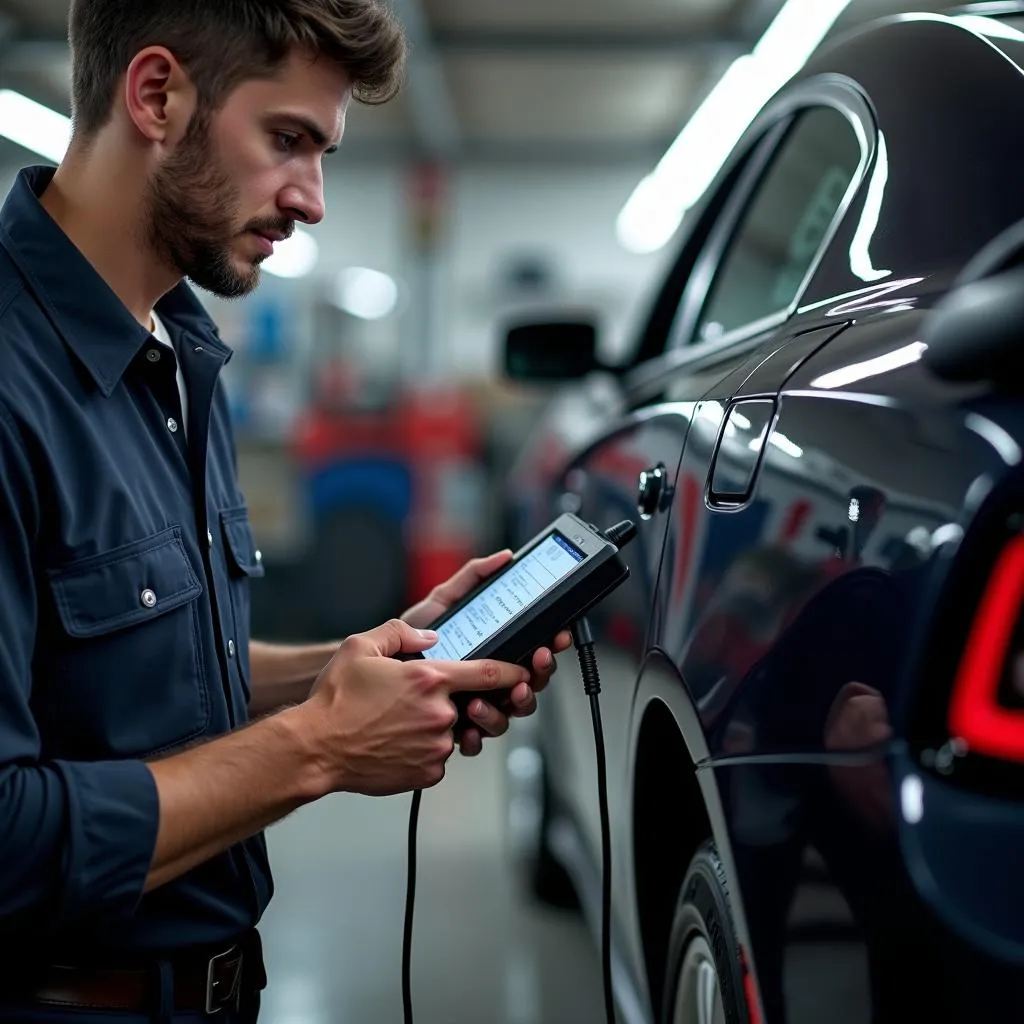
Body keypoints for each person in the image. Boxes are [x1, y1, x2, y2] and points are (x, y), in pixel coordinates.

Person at [0, 1, 570, 1020]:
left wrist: (362, 659)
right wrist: (319, 745)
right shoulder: (11, 388)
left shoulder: (178, 357)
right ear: (158, 95)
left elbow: (132, 672)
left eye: (324, 151)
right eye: (288, 140)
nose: (310, 198)